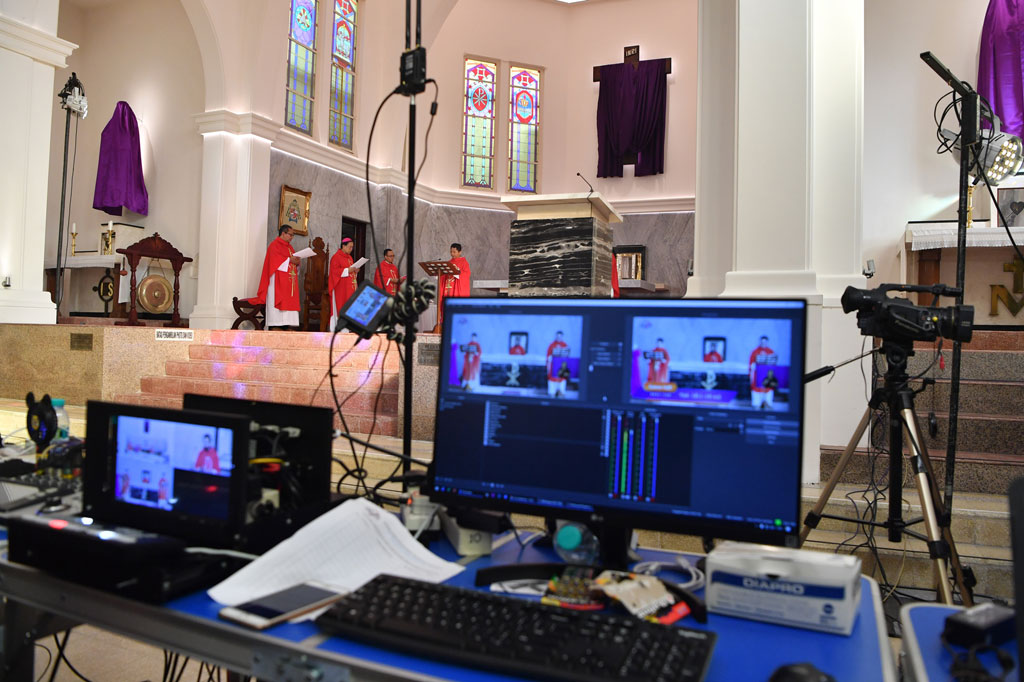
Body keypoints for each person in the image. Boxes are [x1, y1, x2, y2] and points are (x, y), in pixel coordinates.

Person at [251, 225, 301, 329]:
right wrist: (289, 260)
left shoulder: (290, 247)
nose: (292, 237)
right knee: (276, 303)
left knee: (288, 303)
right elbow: (274, 262)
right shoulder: (274, 245)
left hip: (288, 282)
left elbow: (292, 260)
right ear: (283, 233)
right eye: (290, 235)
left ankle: (287, 325)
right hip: (276, 281)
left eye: (293, 235)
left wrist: (297, 262)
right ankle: (275, 325)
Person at [328, 237, 361, 332]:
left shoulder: (350, 258)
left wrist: (355, 271)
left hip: (349, 288)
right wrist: (348, 270)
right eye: (350, 247)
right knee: (341, 307)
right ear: (343, 246)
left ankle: (349, 328)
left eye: (352, 247)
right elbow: (334, 272)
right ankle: (338, 329)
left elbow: (351, 272)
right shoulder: (336, 257)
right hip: (340, 288)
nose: (351, 249)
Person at [437, 243, 471, 327]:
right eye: (451, 252)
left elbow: (467, 275)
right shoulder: (449, 263)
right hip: (448, 289)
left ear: (460, 252)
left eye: (454, 252)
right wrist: (439, 276)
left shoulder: (464, 262)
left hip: (457, 289)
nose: (452, 254)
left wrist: (457, 273)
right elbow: (444, 275)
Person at [749, 335, 777, 408]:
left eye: (765, 342)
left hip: (767, 376)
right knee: (756, 399)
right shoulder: (754, 352)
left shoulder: (771, 351)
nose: (763, 343)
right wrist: (750, 375)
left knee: (768, 391)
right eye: (762, 342)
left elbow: (774, 364)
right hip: (757, 376)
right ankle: (756, 404)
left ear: (767, 342)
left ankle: (768, 404)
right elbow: (751, 364)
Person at [546, 331, 569, 397]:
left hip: (561, 370)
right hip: (553, 370)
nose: (558, 337)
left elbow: (567, 358)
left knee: (562, 393)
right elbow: (548, 358)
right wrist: (548, 368)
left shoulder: (565, 345)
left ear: (562, 337)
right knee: (551, 393)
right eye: (557, 336)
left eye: (560, 336)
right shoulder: (551, 345)